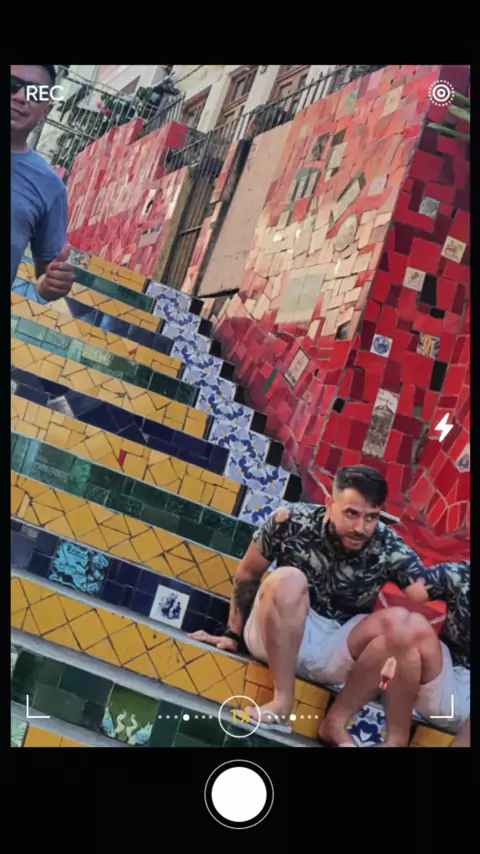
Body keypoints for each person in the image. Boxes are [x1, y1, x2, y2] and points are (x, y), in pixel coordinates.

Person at [190, 465, 470, 747]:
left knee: (400, 622)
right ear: (329, 503)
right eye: (351, 513)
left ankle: (336, 722)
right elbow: (248, 574)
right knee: (288, 579)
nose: (360, 528)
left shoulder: (388, 545)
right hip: (276, 633)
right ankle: (282, 702)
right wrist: (232, 633)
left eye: (371, 517)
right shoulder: (290, 520)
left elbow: (420, 589)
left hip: (337, 649)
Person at [11, 64, 75, 300]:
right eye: (12, 84)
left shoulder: (50, 187)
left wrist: (51, 284)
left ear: (45, 110)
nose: (21, 97)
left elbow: (44, 277)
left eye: (35, 93)